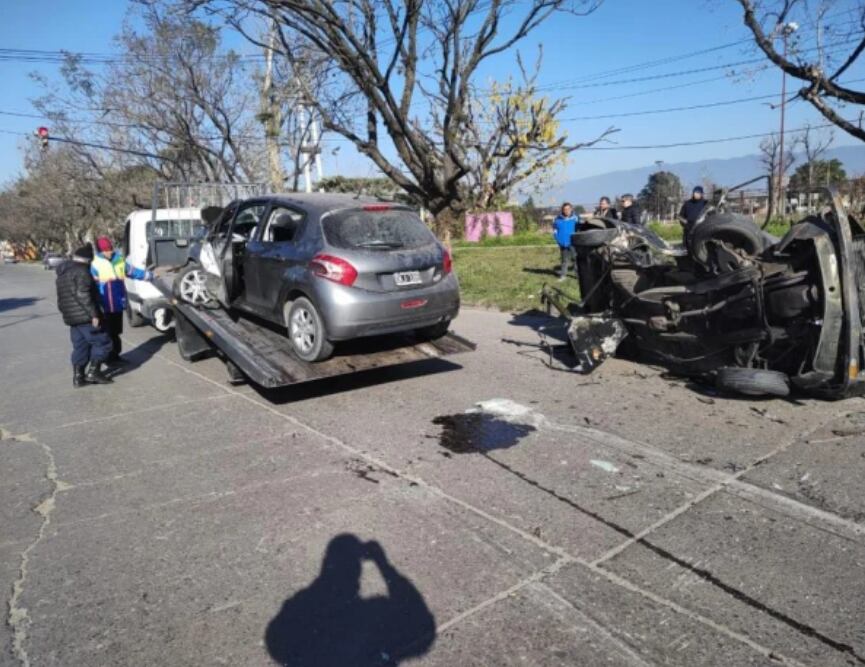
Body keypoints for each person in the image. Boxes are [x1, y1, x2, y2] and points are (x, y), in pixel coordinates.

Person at [55, 244, 113, 387]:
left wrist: (67, 314)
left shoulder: (63, 273)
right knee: (103, 343)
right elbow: (83, 295)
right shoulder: (82, 272)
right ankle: (93, 372)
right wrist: (94, 314)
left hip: (73, 319)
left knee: (81, 346)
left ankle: (78, 377)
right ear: (88, 260)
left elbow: (61, 299)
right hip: (86, 317)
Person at [91, 236, 151, 363]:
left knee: (116, 333)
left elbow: (132, 271)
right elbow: (90, 286)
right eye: (106, 250)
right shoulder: (95, 264)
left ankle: (115, 356)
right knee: (106, 335)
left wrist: (148, 275)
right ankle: (107, 359)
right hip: (104, 306)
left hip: (117, 304)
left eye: (110, 249)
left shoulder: (119, 261)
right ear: (100, 251)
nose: (109, 252)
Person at [552, 202, 580, 281]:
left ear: (571, 209)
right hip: (563, 244)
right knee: (564, 260)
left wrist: (577, 240)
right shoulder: (557, 219)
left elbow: (579, 230)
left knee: (575, 259)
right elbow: (555, 231)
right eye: (565, 209)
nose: (567, 210)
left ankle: (578, 276)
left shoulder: (576, 218)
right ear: (562, 210)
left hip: (573, 243)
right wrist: (558, 240)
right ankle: (563, 275)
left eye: (568, 209)